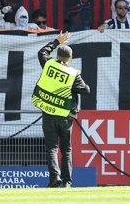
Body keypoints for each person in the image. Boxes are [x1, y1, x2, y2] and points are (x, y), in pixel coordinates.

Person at [33, 32, 90, 188]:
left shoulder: (48, 65)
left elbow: (42, 52)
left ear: (57, 56)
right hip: (65, 116)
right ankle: (67, 182)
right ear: (70, 58)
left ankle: (54, 178)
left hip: (48, 113)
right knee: (66, 149)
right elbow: (86, 90)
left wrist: (57, 41)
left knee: (51, 148)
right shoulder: (73, 74)